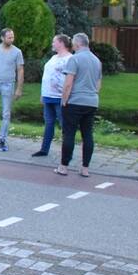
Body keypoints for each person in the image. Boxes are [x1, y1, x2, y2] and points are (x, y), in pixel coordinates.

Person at [58, 33, 102, 177]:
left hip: (75, 101)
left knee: (69, 133)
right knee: (87, 134)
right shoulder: (97, 61)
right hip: (91, 101)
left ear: (77, 45)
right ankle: (85, 168)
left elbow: (68, 83)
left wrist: (64, 99)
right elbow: (98, 84)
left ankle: (64, 166)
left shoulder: (74, 59)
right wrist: (93, 94)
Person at [32, 34, 73, 157]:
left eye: (54, 42)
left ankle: (67, 151)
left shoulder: (70, 59)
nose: (52, 44)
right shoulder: (54, 58)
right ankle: (44, 149)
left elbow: (70, 79)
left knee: (63, 124)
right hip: (48, 96)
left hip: (59, 97)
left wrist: (66, 96)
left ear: (61, 43)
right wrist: (42, 94)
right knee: (49, 123)